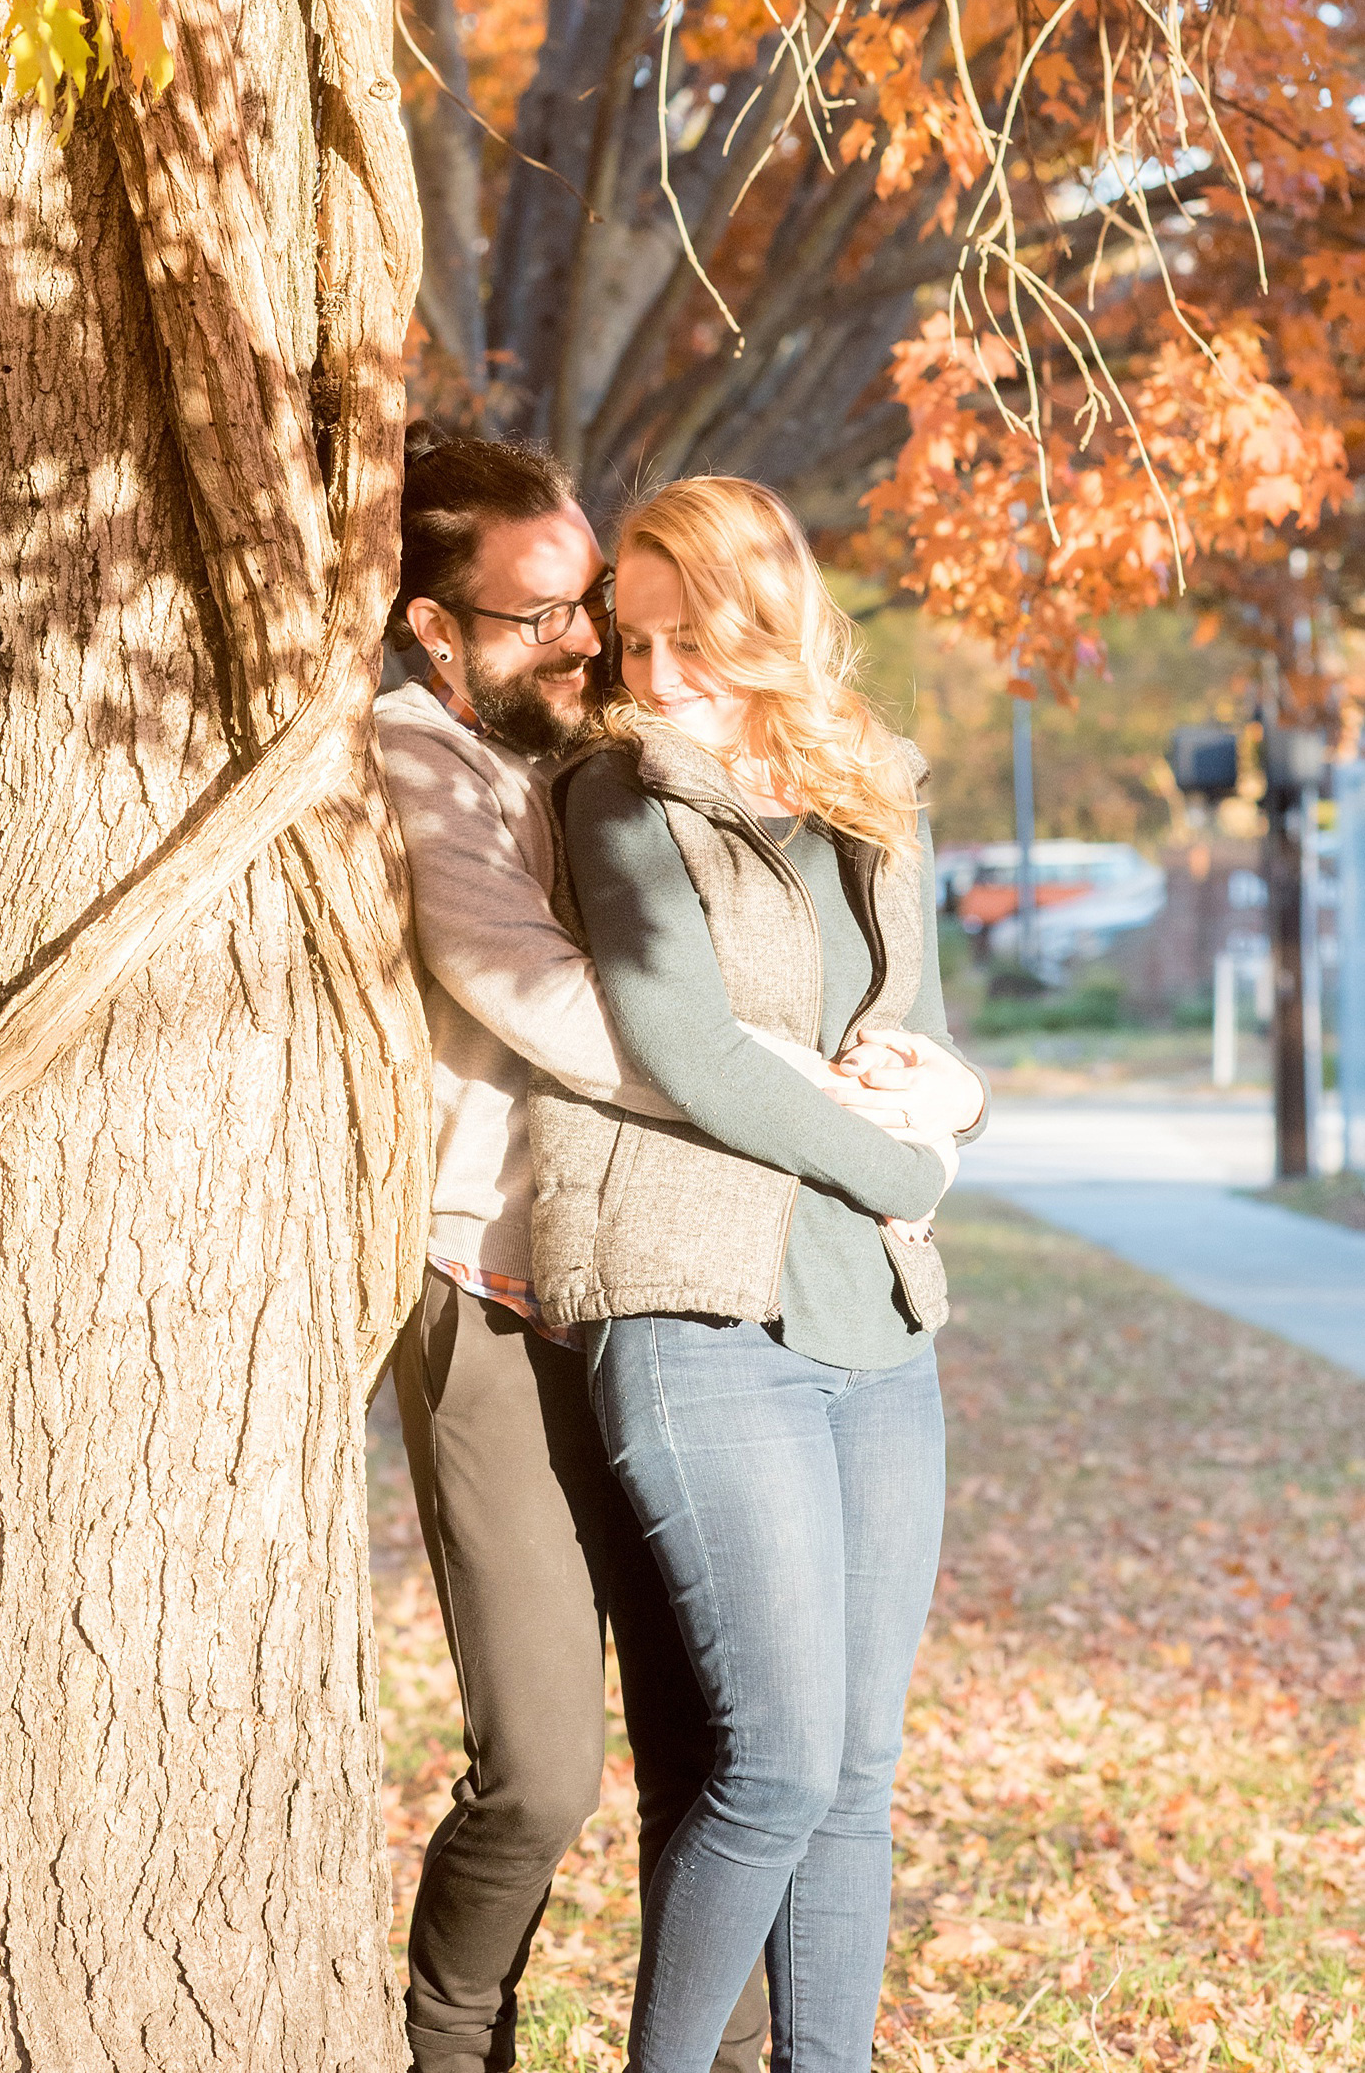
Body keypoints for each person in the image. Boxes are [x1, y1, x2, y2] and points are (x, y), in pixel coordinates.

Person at [528, 475, 988, 2073]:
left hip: (871, 1315)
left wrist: (938, 1106)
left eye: (689, 640)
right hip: (695, 1307)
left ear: (766, 614)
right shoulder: (616, 794)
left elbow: (895, 1040)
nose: (654, 677)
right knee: (778, 1767)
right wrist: (909, 1160)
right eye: (632, 643)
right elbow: (689, 1048)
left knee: (859, 1769)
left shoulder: (874, 790)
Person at [375, 427, 786, 2073]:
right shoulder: (415, 759)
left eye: (588, 604)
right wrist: (771, 1096)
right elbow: (543, 1000)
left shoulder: (614, 738)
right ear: (433, 629)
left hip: (665, 1296)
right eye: (537, 614)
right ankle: (445, 2036)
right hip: (490, 1295)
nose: (585, 639)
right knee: (543, 1765)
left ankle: (731, 2054)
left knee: (720, 1737)